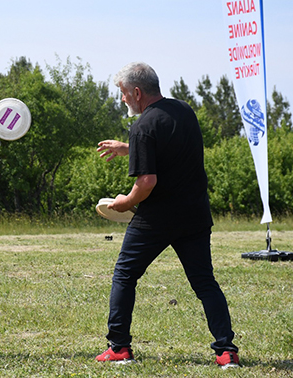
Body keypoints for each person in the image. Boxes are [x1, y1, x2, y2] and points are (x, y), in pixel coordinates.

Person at [95, 62, 239, 368]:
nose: (122, 99)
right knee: (204, 283)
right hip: (195, 215)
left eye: (122, 93)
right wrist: (129, 147)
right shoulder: (184, 110)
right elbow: (171, 148)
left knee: (124, 274)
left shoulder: (142, 126)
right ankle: (226, 352)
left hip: (156, 218)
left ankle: (119, 348)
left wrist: (124, 202)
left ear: (136, 92)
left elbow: (147, 182)